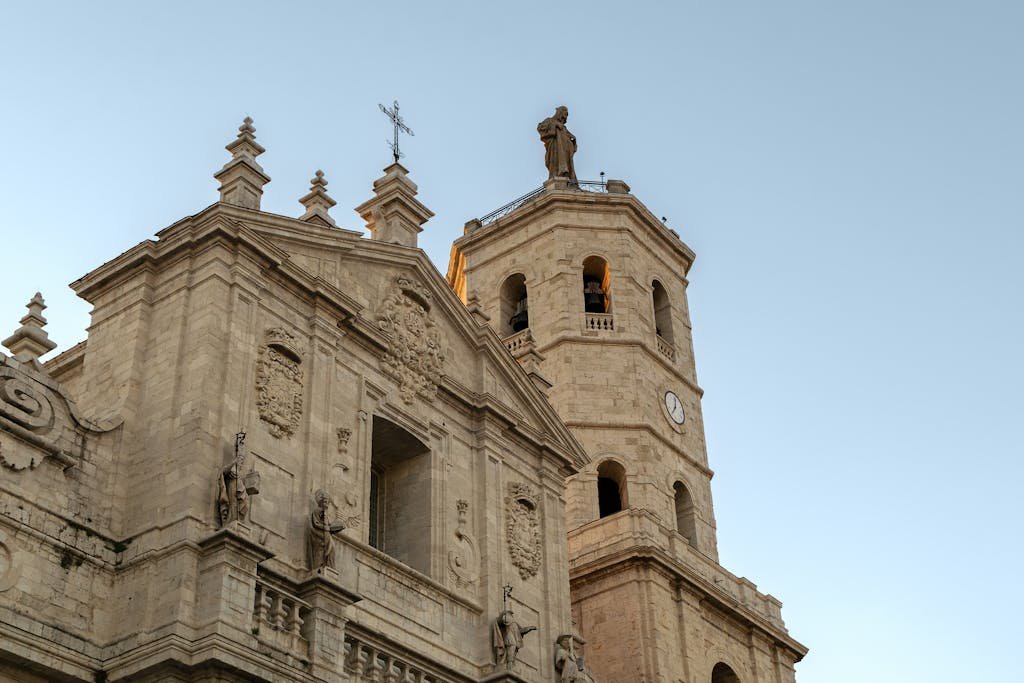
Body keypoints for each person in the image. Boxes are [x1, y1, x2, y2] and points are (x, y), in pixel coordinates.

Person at [308, 489, 346, 570]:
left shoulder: (324, 513)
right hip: (320, 535)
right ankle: (318, 567)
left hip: (326, 535)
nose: (327, 504)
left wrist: (335, 527)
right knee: (322, 551)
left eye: (328, 502)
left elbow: (327, 525)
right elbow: (316, 523)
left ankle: (328, 567)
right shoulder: (318, 511)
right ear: (320, 502)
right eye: (325, 501)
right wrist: (327, 528)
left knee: (331, 549)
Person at [537, 106, 578, 181]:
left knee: (567, 163)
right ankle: (557, 177)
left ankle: (567, 179)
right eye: (564, 115)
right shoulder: (549, 120)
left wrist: (573, 139)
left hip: (566, 148)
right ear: (559, 113)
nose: (564, 119)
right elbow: (541, 128)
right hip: (555, 146)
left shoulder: (564, 127)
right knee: (555, 162)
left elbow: (569, 135)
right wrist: (554, 125)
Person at [217, 446, 249, 526]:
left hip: (241, 491)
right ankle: (230, 522)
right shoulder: (232, 470)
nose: (242, 462)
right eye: (240, 460)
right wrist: (234, 462)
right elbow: (224, 472)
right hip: (232, 489)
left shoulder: (240, 472)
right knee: (233, 507)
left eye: (242, 461)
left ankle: (239, 522)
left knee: (245, 505)